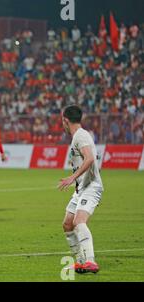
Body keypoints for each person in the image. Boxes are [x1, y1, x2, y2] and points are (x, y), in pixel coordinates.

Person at [59, 105, 103, 274]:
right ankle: (81, 261)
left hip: (91, 186)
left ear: (65, 120)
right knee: (67, 224)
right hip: (81, 188)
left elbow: (90, 158)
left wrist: (72, 177)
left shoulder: (81, 136)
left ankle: (90, 261)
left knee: (79, 221)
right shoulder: (78, 135)